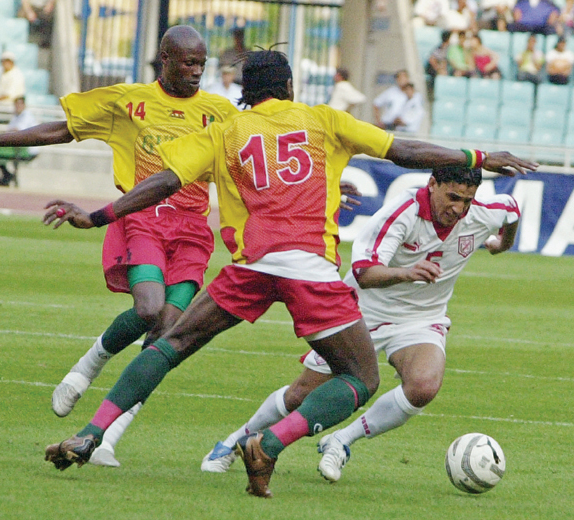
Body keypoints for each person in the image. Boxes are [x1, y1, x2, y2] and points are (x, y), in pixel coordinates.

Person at [40, 50, 536, 498]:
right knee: (361, 379)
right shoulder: (323, 120)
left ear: (245, 93)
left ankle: (93, 431)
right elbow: (402, 150)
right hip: (309, 270)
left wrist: (99, 215)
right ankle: (269, 443)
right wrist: (477, 158)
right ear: (291, 88)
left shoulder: (224, 131)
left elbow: (164, 181)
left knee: (169, 343)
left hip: (251, 265)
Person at [0, 25, 239, 467]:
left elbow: (258, 161)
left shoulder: (220, 112)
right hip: (142, 218)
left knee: (167, 334)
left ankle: (108, 438)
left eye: (202, 64)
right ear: (164, 58)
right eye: (188, 63)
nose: (197, 72)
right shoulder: (128, 101)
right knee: (148, 310)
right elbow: (60, 131)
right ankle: (91, 362)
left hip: (193, 230)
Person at [199, 165, 525, 483]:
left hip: (421, 319)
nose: (458, 209)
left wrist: (501, 245)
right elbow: (364, 273)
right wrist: (406, 273)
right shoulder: (402, 213)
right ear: (432, 183)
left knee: (424, 385)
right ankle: (234, 441)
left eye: (467, 201)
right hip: (360, 313)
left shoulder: (486, 211)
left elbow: (512, 212)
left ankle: (341, 440)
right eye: (452, 197)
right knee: (301, 394)